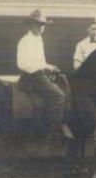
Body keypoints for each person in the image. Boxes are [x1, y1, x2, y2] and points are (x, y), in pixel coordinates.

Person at [16, 10, 66, 141]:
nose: (41, 28)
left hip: (40, 74)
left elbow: (41, 62)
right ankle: (54, 132)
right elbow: (22, 64)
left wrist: (50, 67)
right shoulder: (25, 41)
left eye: (42, 25)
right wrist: (40, 69)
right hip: (31, 77)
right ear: (31, 25)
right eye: (38, 25)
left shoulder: (39, 40)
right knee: (58, 96)